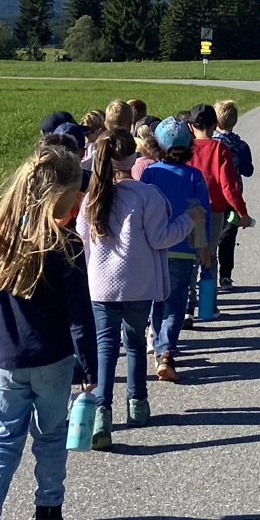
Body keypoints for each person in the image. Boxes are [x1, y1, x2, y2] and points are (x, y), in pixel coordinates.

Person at [0, 144, 96, 520]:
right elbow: (81, 316)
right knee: (51, 436)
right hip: (53, 360)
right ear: (64, 199)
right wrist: (90, 367)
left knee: (1, 437)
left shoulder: (0, 239)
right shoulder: (67, 247)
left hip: (3, 358)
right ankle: (49, 518)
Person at [76, 127, 189, 445]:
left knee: (105, 347)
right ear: (133, 158)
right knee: (135, 342)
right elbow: (160, 237)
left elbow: (82, 234)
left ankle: (102, 412)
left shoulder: (93, 198)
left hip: (101, 284)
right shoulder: (146, 195)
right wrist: (187, 220)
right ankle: (137, 405)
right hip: (138, 284)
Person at [135, 115, 211, 382]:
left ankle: (159, 350)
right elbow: (202, 214)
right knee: (176, 303)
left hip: (153, 249)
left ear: (158, 146)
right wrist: (204, 249)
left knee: (158, 301)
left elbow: (140, 211)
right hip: (183, 249)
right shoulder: (194, 176)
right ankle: (166, 351)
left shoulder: (150, 173)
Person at [190, 104, 253, 293]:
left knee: (191, 254)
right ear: (213, 124)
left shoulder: (186, 147)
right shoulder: (219, 149)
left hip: (189, 209)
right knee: (210, 253)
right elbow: (228, 185)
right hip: (215, 208)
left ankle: (188, 303)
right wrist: (242, 212)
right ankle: (209, 302)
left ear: (191, 126)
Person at [210, 100, 254, 289]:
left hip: (212, 193)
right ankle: (225, 275)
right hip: (234, 196)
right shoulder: (241, 145)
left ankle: (206, 272)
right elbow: (248, 170)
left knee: (209, 234)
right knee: (228, 235)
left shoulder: (209, 143)